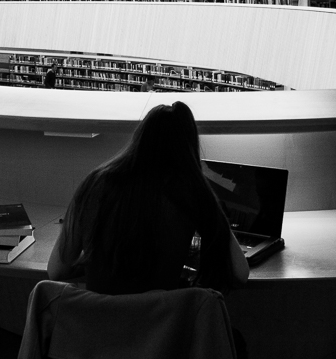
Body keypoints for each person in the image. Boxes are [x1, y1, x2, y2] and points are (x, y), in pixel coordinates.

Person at [47, 102, 249, 294]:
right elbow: (240, 272)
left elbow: (56, 270)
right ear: (189, 149)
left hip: (98, 325)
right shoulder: (192, 192)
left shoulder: (94, 183)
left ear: (140, 138)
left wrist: (97, 256)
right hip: (160, 327)